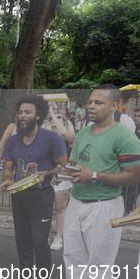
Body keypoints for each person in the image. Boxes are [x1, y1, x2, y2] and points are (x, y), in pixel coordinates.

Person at [53, 84, 140, 279]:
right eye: (90, 101)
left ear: (114, 106)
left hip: (105, 205)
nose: (91, 106)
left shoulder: (124, 136)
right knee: (73, 256)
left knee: (99, 261)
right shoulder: (84, 132)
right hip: (77, 203)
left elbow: (134, 176)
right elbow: (75, 163)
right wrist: (61, 175)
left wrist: (94, 175)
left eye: (98, 102)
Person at [0, 94, 67, 279]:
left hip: (41, 196)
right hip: (19, 196)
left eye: (28, 112)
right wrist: (8, 181)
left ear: (38, 115)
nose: (22, 116)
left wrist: (47, 173)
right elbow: (8, 168)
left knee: (39, 241)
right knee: (23, 239)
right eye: (20, 112)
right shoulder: (14, 140)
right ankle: (26, 278)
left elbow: (63, 166)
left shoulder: (52, 138)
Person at [43, 104, 76, 251]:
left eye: (59, 119)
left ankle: (59, 237)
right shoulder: (46, 136)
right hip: (46, 175)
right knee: (44, 208)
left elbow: (71, 162)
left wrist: (53, 113)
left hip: (62, 176)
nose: (54, 121)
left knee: (60, 208)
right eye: (51, 119)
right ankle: (44, 235)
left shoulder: (70, 140)